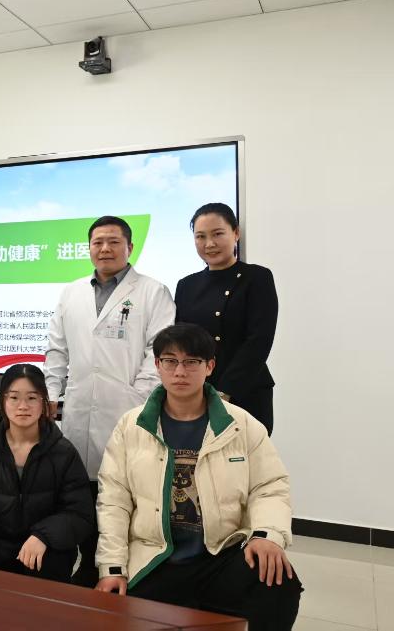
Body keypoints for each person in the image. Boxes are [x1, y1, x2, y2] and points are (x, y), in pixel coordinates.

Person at [95, 324, 301, 630]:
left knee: (279, 582)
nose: (180, 371)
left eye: (191, 362)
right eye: (170, 361)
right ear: (158, 365)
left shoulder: (241, 425)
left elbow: (269, 487)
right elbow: (114, 500)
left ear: (210, 367)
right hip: (155, 557)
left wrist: (266, 535)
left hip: (219, 555)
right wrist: (112, 567)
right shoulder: (131, 426)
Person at [44, 215, 175, 584]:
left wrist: (140, 395)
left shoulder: (152, 292)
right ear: (89, 248)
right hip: (79, 407)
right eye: (97, 242)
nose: (105, 248)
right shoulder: (71, 293)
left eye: (114, 241)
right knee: (81, 490)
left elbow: (159, 350)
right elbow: (57, 348)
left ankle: (119, 567)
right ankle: (89, 563)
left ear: (130, 247)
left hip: (128, 408)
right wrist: (51, 392)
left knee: (122, 491)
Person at [0, 364, 94, 581]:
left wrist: (42, 535)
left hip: (45, 550)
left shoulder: (63, 453)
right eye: (14, 397)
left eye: (32, 398)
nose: (23, 406)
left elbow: (80, 514)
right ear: (3, 401)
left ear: (44, 402)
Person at [174, 203, 278, 433]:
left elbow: (259, 340)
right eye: (200, 236)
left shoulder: (256, 277)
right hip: (197, 394)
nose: (209, 243)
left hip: (245, 393)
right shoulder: (186, 285)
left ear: (236, 233)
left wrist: (223, 393)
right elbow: (180, 342)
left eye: (218, 234)